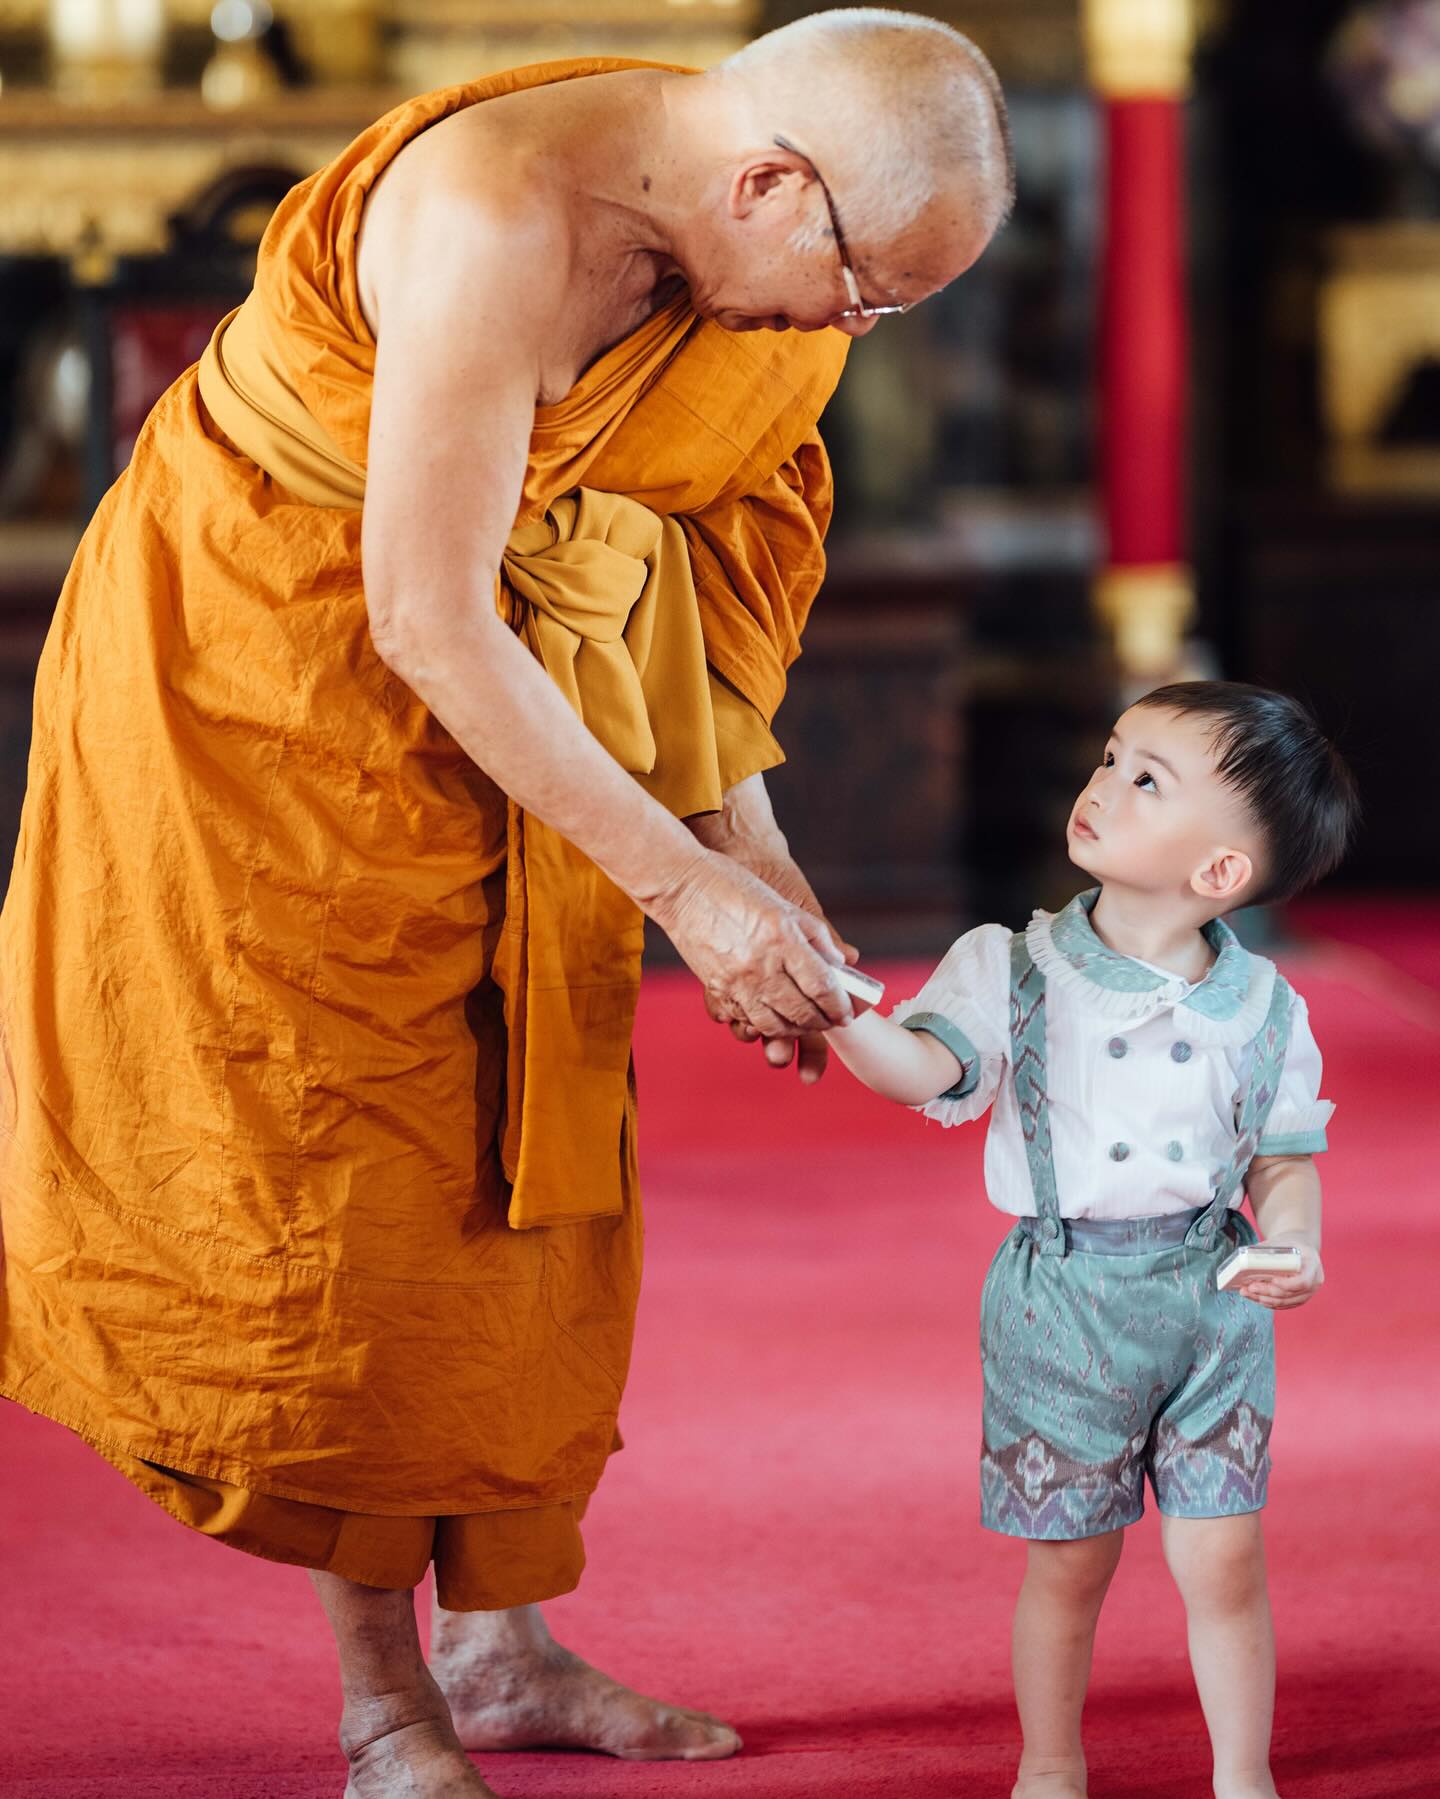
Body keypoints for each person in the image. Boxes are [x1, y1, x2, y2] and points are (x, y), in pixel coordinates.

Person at [0, 10, 1014, 1796]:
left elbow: (669, 568)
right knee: (356, 1180)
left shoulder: (743, 249)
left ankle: (502, 1640)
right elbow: (430, 612)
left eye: (893, 315)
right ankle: (389, 1701)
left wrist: (750, 858)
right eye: (861, 294)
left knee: (517, 1157)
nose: (846, 340)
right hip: (278, 681)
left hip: (535, 689)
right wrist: (686, 890)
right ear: (772, 181)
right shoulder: (498, 216)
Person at [826, 682, 1359, 1799]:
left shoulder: (1263, 1008)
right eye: (1113, 756)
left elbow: (1281, 1157)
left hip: (1216, 1296)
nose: (1103, 783)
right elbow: (927, 1072)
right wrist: (842, 1012)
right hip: (1061, 1299)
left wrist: (1296, 1242)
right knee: (1069, 1560)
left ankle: (1243, 1774)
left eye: (1146, 779)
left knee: (1224, 1556)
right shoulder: (1013, 965)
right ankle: (1051, 1763)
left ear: (1219, 873)